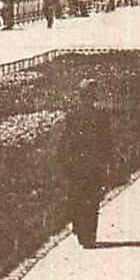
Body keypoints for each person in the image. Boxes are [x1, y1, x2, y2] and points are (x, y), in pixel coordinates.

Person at [57, 84, 113, 248]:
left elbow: (66, 140)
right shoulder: (101, 116)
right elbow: (106, 141)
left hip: (76, 163)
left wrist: (63, 159)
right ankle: (89, 235)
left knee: (77, 196)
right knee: (91, 199)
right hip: (93, 164)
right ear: (92, 97)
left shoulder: (73, 115)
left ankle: (80, 229)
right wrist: (106, 161)